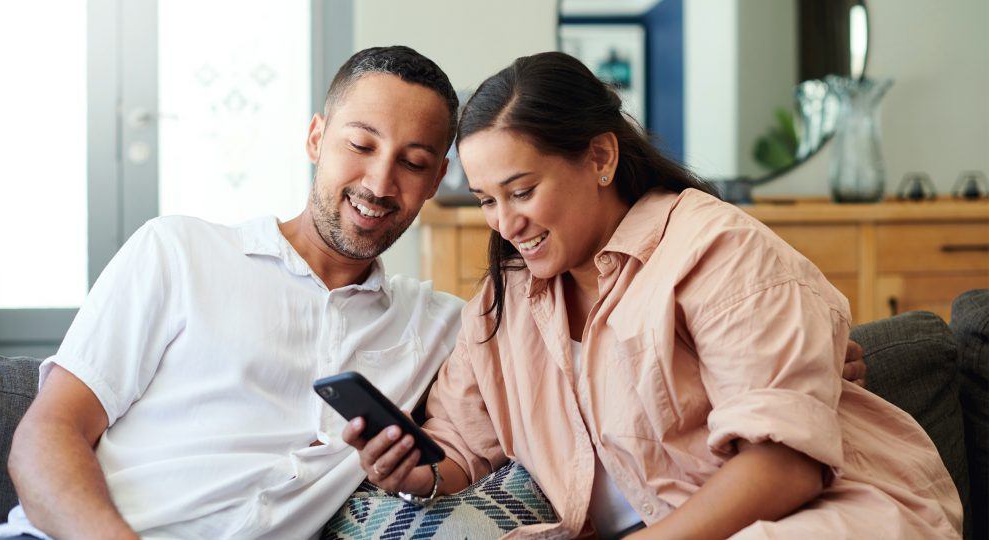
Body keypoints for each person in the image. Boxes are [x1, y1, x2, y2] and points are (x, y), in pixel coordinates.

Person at [344, 52, 961, 539]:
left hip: (821, 520)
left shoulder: (717, 248)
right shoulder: (503, 303)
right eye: (486, 200)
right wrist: (416, 472)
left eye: (522, 191)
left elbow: (785, 468)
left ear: (601, 157)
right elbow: (460, 450)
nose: (505, 224)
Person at [0, 46, 466, 540]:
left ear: (437, 179)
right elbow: (45, 436)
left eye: (413, 163)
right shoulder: (178, 251)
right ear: (316, 138)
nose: (380, 183)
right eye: (360, 145)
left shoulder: (439, 324)